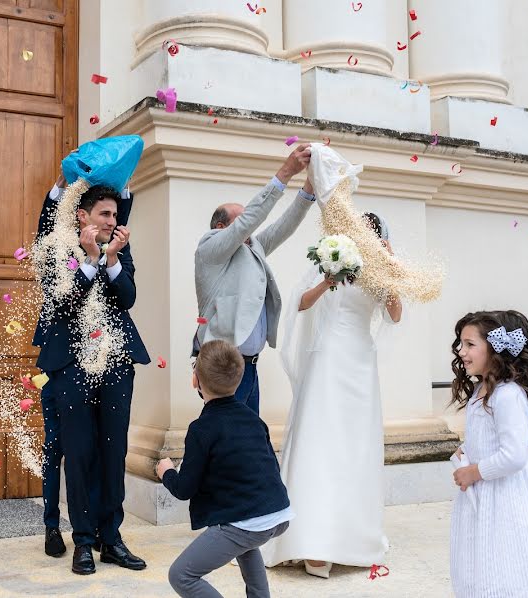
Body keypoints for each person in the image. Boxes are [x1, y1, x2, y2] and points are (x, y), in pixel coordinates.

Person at [261, 212, 402, 578]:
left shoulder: (379, 268)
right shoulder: (332, 254)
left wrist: (389, 268)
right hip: (327, 358)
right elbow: (302, 303)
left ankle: (349, 536)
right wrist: (328, 279)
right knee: (319, 440)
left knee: (355, 446)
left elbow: (395, 315)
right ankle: (308, 538)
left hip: (359, 361)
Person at [34, 177, 150, 575]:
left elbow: (129, 297)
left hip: (116, 362)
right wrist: (88, 260)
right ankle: (82, 541)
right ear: (82, 216)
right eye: (105, 214)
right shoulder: (56, 249)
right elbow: (63, 303)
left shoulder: (120, 248)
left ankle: (111, 538)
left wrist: (112, 260)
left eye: (116, 215)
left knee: (113, 450)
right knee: (79, 453)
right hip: (71, 365)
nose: (112, 221)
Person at [447, 310, 528, 597]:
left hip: (505, 494)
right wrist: (467, 450)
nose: (462, 351)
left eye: (470, 344)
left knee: (509, 561)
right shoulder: (482, 389)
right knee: (482, 562)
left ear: (495, 349)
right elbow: (489, 437)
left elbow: (515, 455)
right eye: (461, 344)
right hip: (484, 493)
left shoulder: (507, 395)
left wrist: (474, 471)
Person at [156, 340, 292, 598]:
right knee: (246, 539)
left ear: (195, 380)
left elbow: (185, 489)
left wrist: (166, 472)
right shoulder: (254, 419)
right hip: (278, 512)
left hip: (248, 519)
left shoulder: (201, 429)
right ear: (239, 380)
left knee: (181, 575)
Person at [194, 144, 314, 414]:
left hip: (248, 364)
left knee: (246, 438)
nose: (249, 227)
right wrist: (285, 173)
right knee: (230, 439)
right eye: (241, 223)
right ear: (221, 228)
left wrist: (309, 189)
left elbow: (283, 227)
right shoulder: (210, 248)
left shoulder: (250, 248)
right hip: (223, 365)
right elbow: (251, 220)